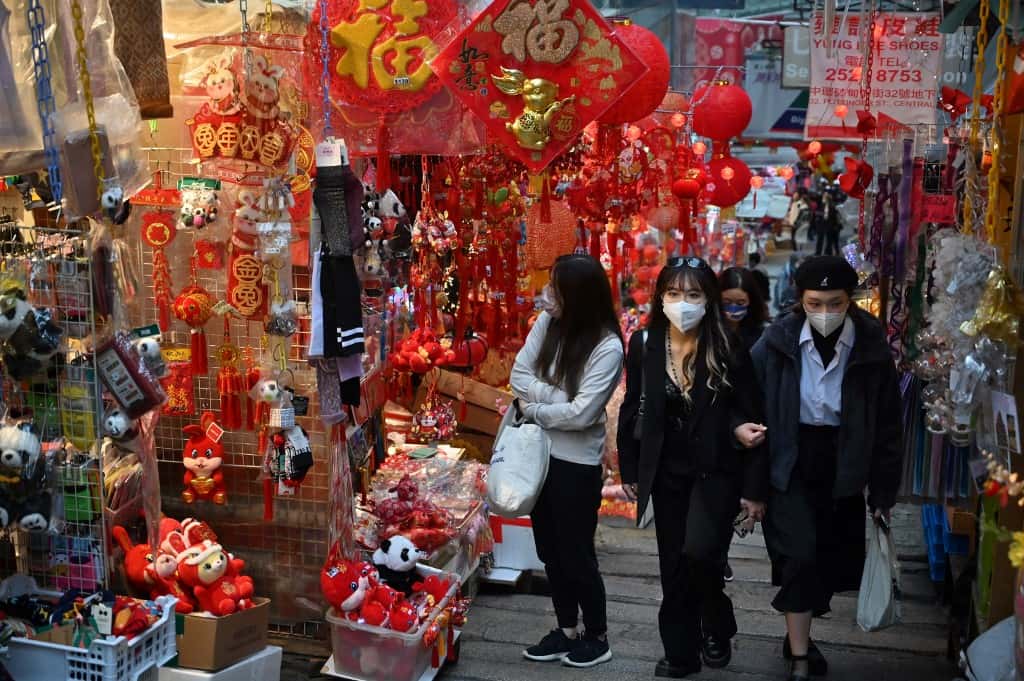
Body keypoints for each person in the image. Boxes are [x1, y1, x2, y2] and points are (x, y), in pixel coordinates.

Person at [750, 256, 903, 681]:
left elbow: (889, 424)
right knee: (799, 554)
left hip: (845, 461)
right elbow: (748, 403)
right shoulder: (776, 341)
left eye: (834, 303)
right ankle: (799, 656)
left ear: (849, 301)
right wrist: (753, 483)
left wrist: (883, 493)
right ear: (800, 300)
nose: (824, 312)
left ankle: (799, 635)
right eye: (815, 303)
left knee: (828, 560)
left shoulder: (871, 344)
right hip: (791, 457)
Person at [616, 256, 769, 678]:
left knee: (700, 553)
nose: (683, 303)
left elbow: (752, 415)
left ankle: (716, 620)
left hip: (715, 469)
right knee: (673, 562)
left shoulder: (727, 344)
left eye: (694, 294)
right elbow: (632, 408)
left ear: (709, 300)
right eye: (674, 294)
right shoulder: (644, 342)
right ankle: (680, 652)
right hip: (666, 470)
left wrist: (754, 490)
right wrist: (629, 467)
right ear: (661, 297)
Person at [510, 254, 624, 669]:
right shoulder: (548, 324)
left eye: (555, 290)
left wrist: (536, 405)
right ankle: (566, 628)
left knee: (576, 553)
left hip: (576, 465)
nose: (546, 296)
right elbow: (518, 376)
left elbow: (584, 414)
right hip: (537, 453)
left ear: (578, 296)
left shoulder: (607, 346)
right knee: (550, 550)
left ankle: (597, 634)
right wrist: (556, 398)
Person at [719, 266, 770, 351]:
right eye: (727, 302)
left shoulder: (762, 337)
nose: (733, 308)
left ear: (751, 301)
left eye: (740, 303)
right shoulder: (707, 331)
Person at [814, 191, 842, 256]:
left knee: (829, 239)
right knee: (820, 238)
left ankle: (828, 252)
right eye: (824, 195)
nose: (825, 197)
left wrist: (835, 224)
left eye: (827, 196)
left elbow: (835, 215)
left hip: (829, 223)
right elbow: (816, 212)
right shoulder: (820, 204)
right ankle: (818, 252)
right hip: (821, 223)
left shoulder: (832, 205)